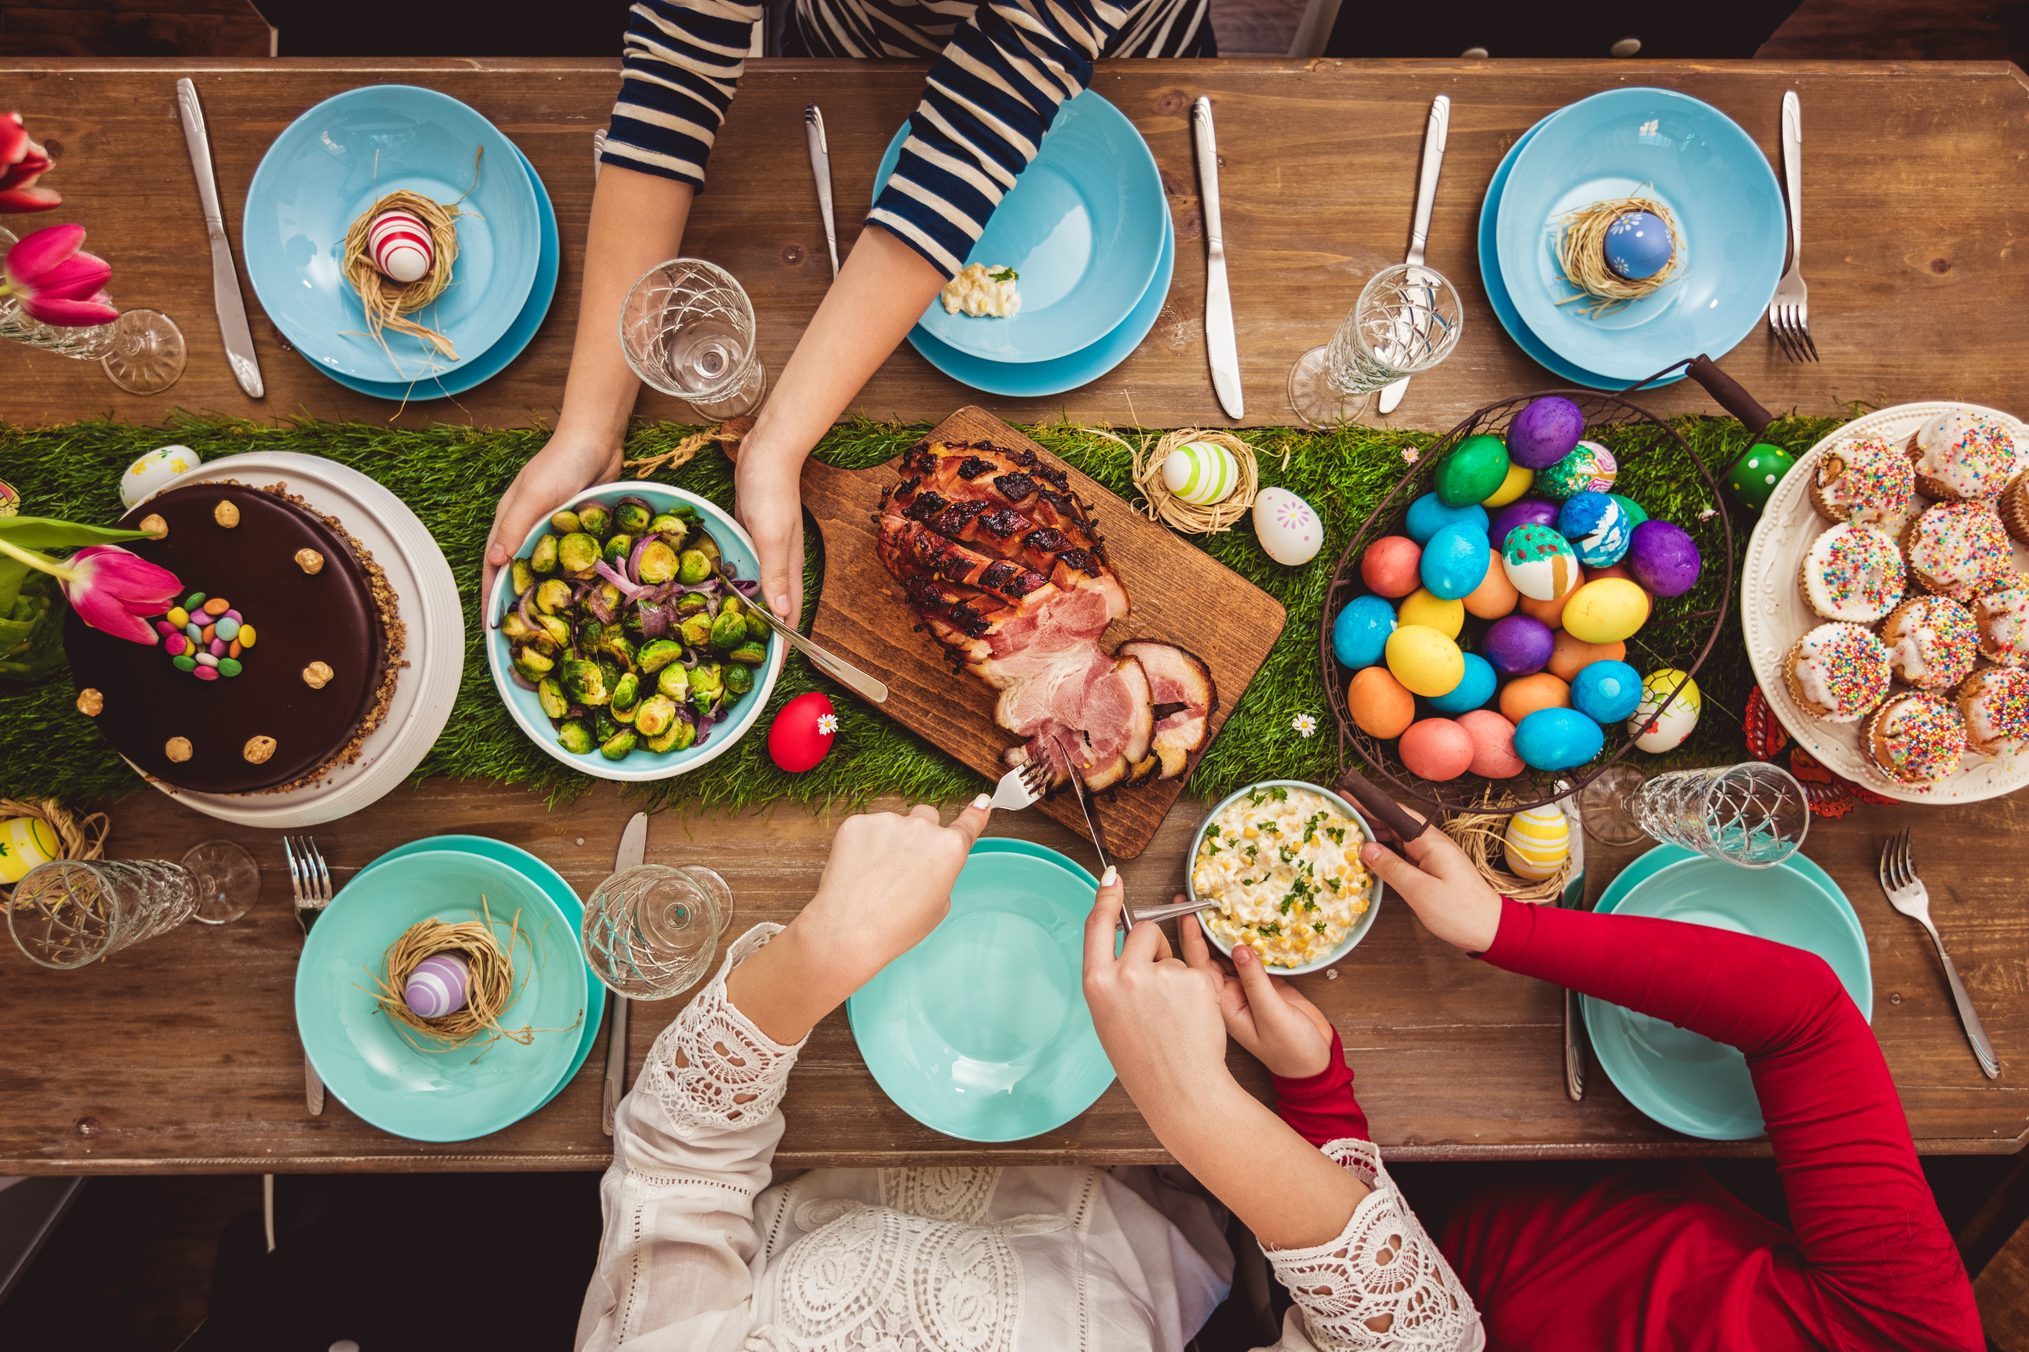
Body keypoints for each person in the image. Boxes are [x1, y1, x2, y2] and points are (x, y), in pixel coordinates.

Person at [575, 796, 1483, 1350]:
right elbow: (1423, 1340)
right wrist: (1205, 1107)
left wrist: (824, 949)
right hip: (1167, 1181)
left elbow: (673, 1169)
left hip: (820, 1144)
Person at [485, 0, 1212, 612]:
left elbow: (991, 108)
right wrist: (588, 425)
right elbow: (676, 63)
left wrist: (779, 445)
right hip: (858, 36)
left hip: (1120, 52)